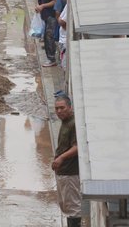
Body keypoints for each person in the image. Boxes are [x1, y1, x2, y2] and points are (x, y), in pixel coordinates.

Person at [52, 94, 82, 227]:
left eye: (62, 108)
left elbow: (77, 147)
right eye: (56, 109)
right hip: (63, 172)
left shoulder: (74, 123)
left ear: (70, 107)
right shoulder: (66, 122)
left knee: (73, 208)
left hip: (70, 173)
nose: (59, 111)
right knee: (66, 206)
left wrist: (61, 158)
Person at [36, 0, 59, 67]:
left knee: (49, 36)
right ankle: (49, 57)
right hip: (43, 13)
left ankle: (52, 58)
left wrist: (43, 6)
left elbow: (55, 1)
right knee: (45, 36)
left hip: (51, 14)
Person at [56, 0, 68, 71]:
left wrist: (60, 19)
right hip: (63, 40)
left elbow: (62, 21)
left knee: (65, 66)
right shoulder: (67, 4)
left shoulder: (69, 5)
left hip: (65, 42)